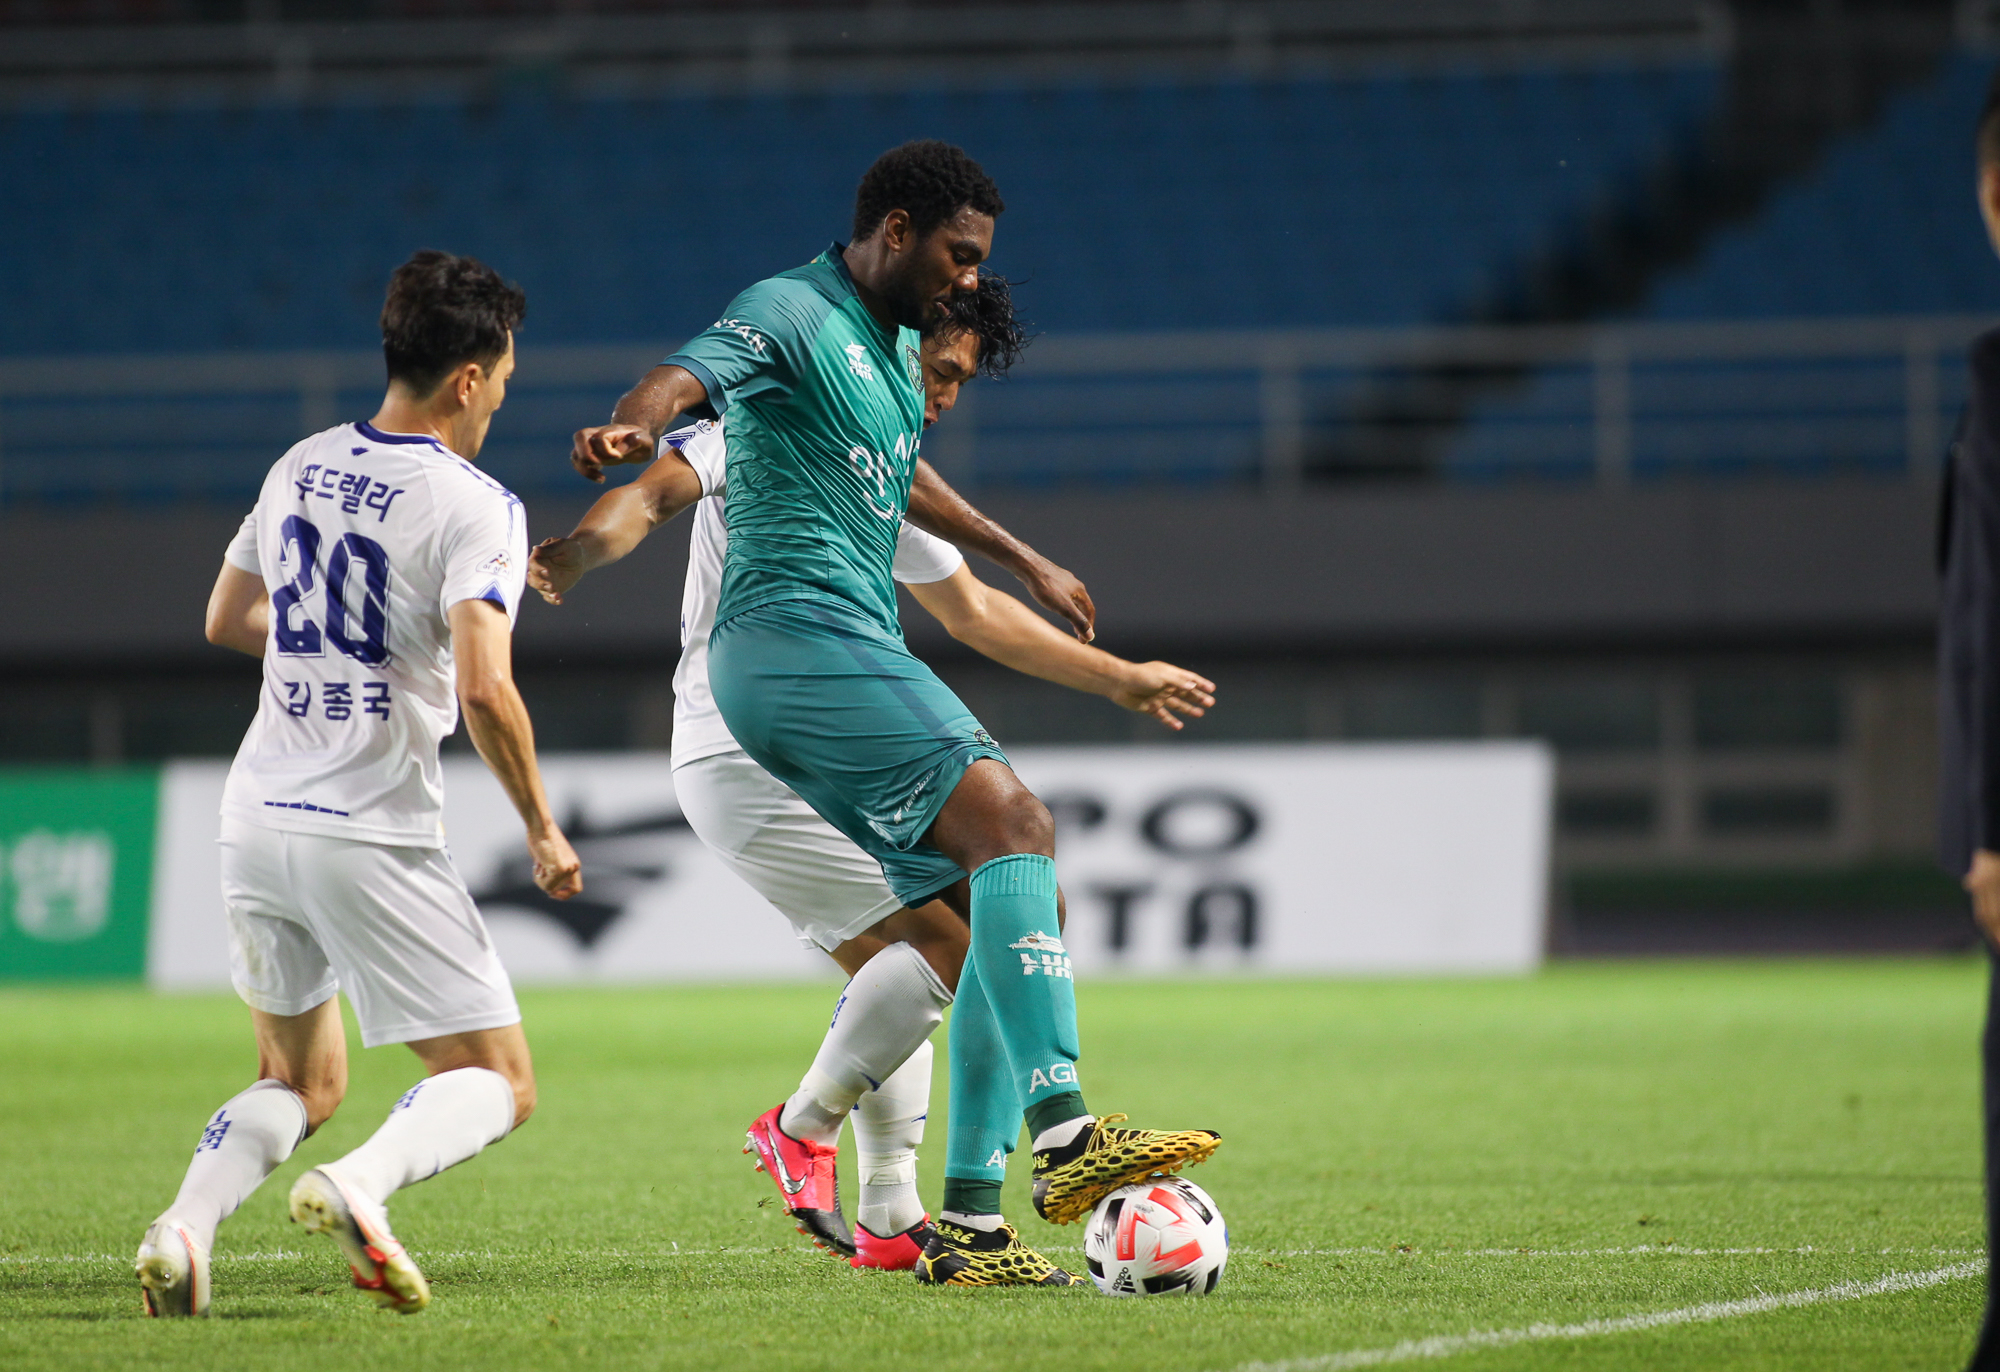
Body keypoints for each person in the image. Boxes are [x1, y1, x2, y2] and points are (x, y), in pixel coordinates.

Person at [566, 139, 1220, 1286]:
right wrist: (598, 509)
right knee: (1003, 841)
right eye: (957, 264)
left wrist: (1036, 573)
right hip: (761, 699)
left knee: (1000, 918)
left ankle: (956, 1219)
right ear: (901, 237)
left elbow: (952, 571)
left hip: (819, 672)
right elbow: (674, 428)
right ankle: (1018, 1136)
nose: (945, 392)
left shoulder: (873, 408)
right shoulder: (796, 337)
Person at [134, 251, 582, 1318]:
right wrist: (541, 826)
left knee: (300, 1080)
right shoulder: (477, 504)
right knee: (499, 1078)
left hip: (255, 815)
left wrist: (336, 653)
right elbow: (485, 687)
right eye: (502, 380)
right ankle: (361, 1186)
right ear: (466, 379)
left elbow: (226, 617)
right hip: (365, 826)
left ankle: (183, 1230)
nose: (499, 400)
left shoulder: (299, 463)